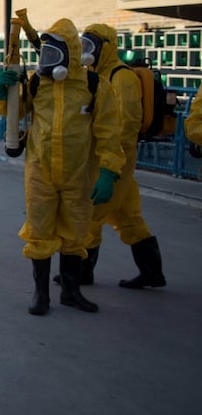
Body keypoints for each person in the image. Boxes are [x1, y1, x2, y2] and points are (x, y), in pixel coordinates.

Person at [0, 18, 124, 316]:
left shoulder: (94, 85)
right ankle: (42, 295)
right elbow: (14, 110)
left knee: (75, 233)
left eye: (54, 54)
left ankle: (70, 291)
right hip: (40, 170)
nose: (47, 61)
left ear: (71, 54)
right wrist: (1, 91)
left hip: (79, 173)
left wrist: (108, 171)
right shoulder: (38, 82)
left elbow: (108, 132)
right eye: (45, 54)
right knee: (39, 231)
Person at [72, 24, 165, 289]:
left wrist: (110, 167)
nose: (86, 51)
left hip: (115, 160)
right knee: (128, 216)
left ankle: (82, 271)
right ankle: (152, 272)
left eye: (91, 46)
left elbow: (126, 124)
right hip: (108, 158)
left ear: (106, 47)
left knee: (91, 213)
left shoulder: (121, 78)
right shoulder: (93, 74)